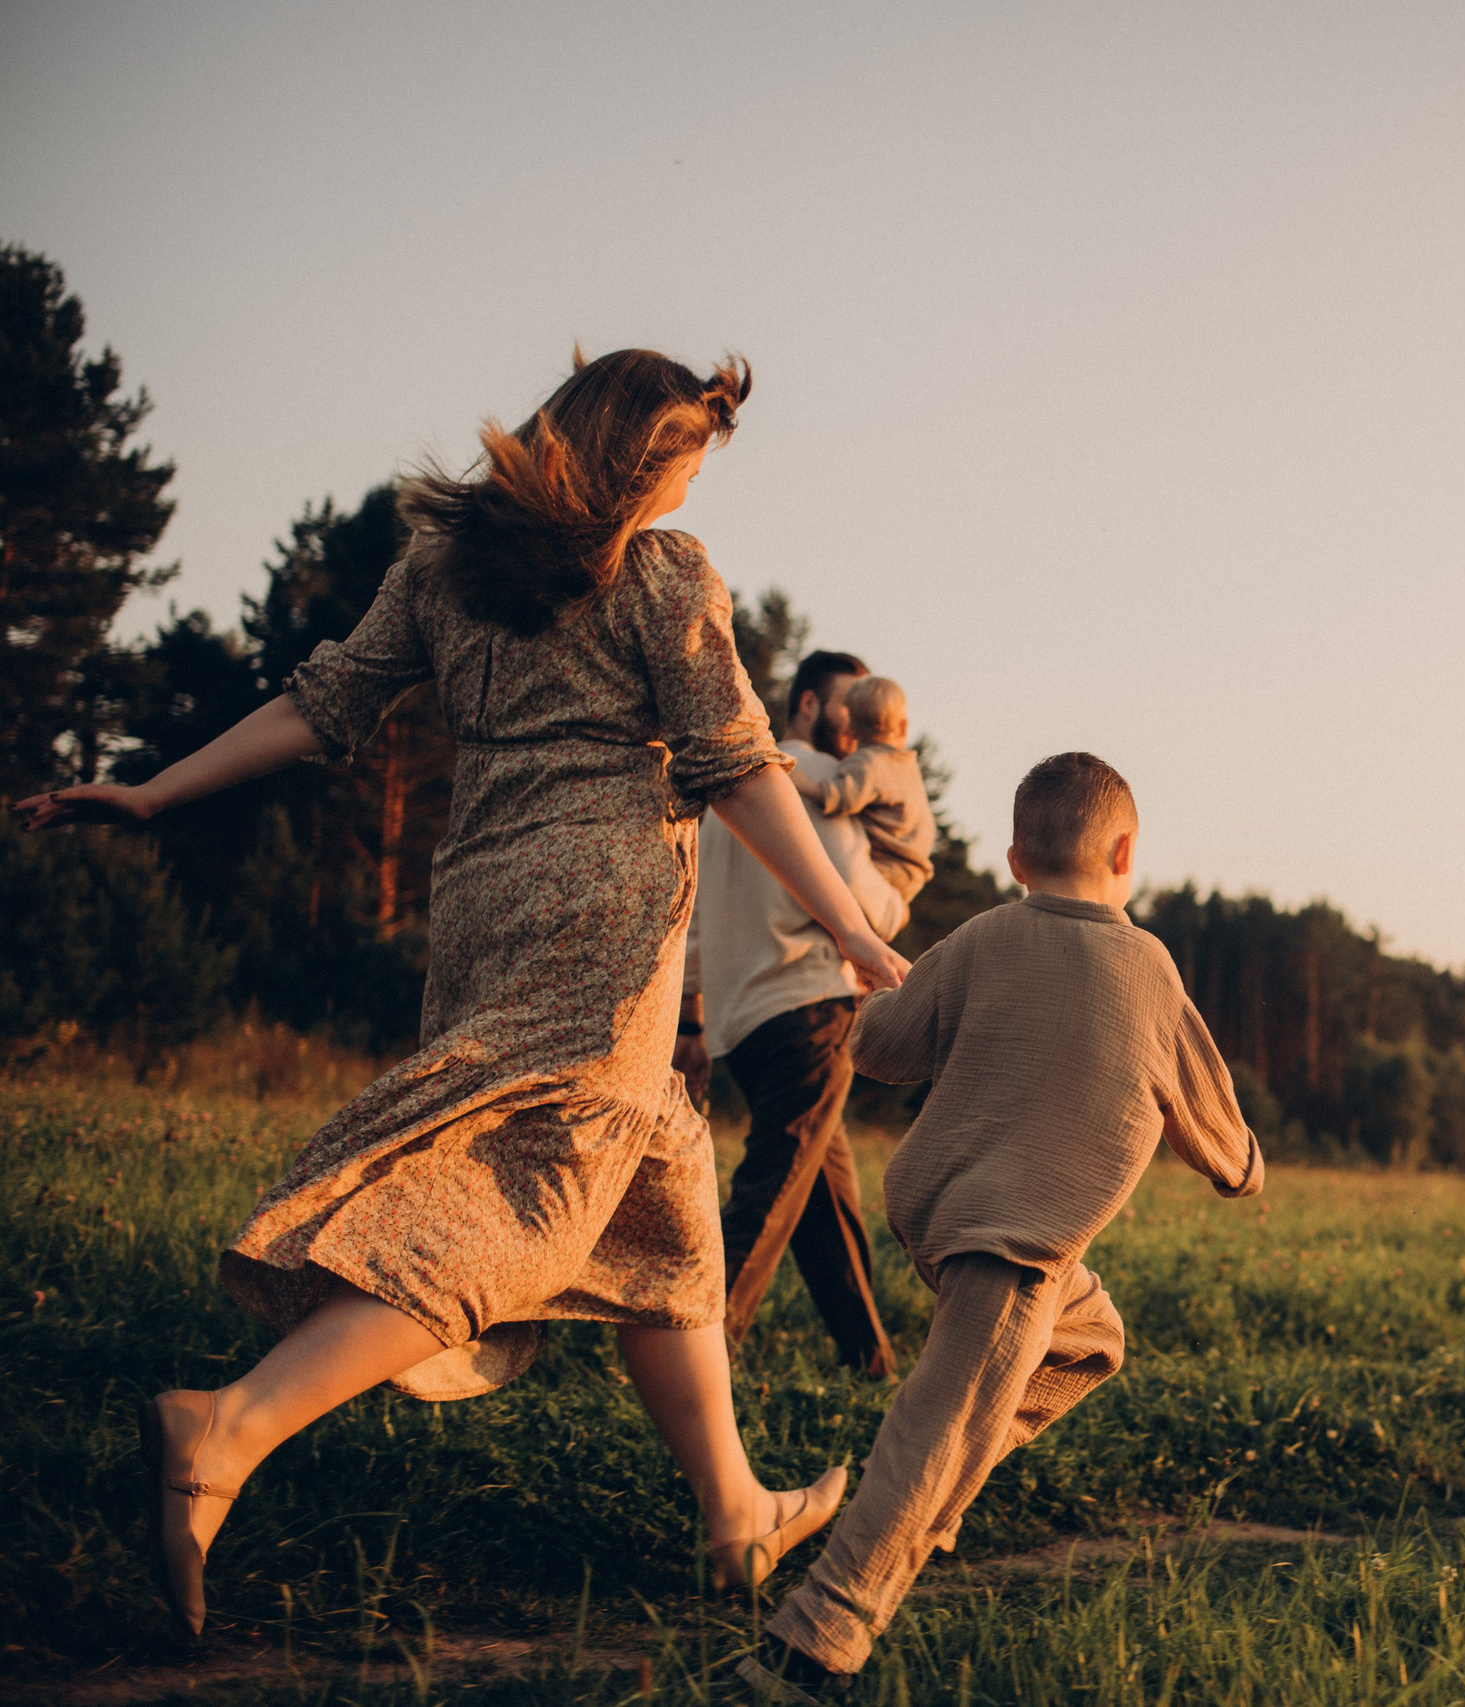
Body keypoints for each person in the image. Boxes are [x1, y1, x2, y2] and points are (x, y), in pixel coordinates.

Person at [13, 348, 908, 1633]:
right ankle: (229, 1427)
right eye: (684, 465)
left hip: (484, 904)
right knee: (535, 1199)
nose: (687, 491)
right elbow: (737, 767)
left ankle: (732, 1506)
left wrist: (155, 789)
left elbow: (317, 706)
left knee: (654, 1177)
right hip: (603, 927)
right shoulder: (664, 574)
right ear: (635, 459)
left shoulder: (442, 566)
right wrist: (853, 931)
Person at [739, 751, 1264, 1694]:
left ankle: (930, 1492)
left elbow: (882, 1049)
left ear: (1017, 857)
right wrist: (1244, 1164)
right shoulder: (1149, 966)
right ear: (1127, 851)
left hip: (944, 1218)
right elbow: (1210, 1116)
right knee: (932, 1426)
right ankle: (813, 1642)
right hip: (1017, 1247)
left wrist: (881, 992)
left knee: (1094, 1340)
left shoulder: (981, 937)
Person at [677, 653, 916, 1378]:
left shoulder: (731, 794)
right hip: (810, 1004)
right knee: (774, 1184)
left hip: (738, 1022)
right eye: (849, 709)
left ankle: (867, 1360)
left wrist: (690, 1023)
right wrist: (904, 885)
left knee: (822, 1191)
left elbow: (690, 921)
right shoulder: (811, 782)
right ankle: (702, 1352)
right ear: (808, 705)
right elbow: (864, 902)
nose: (861, 729)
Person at [786, 674, 934, 937]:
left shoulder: (864, 765)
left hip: (890, 867)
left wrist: (805, 785)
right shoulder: (907, 765)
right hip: (914, 867)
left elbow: (841, 798)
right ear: (903, 728)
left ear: (852, 729)